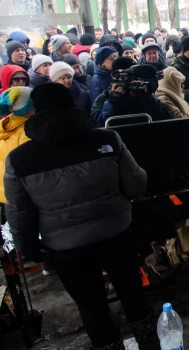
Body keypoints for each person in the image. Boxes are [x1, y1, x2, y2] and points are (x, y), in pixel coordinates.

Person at [4, 83, 158, 350]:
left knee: (91, 304)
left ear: (35, 113)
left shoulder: (20, 159)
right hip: (116, 233)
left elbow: (19, 211)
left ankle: (108, 346)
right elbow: (137, 185)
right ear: (73, 105)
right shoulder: (107, 140)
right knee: (132, 291)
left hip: (65, 247)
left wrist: (28, 247)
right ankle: (149, 342)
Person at [91, 58, 169, 127]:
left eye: (135, 77)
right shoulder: (105, 97)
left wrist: (146, 97)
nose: (133, 81)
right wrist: (113, 102)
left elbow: (164, 117)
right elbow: (98, 124)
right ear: (118, 77)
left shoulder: (142, 92)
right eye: (128, 77)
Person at [0, 87, 33, 205]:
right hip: (17, 196)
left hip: (4, 191)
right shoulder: (26, 133)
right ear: (30, 108)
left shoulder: (6, 124)